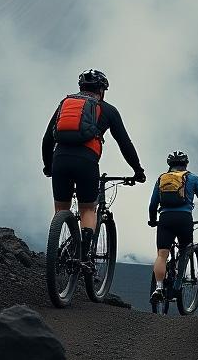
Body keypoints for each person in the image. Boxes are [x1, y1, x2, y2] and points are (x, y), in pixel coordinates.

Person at [42, 69, 146, 261]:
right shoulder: (108, 110)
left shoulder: (65, 105)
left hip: (60, 160)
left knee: (61, 210)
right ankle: (84, 255)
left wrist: (48, 166)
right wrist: (137, 170)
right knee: (88, 209)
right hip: (86, 162)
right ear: (102, 90)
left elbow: (47, 139)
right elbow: (125, 143)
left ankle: (58, 252)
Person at [148, 150, 198, 302]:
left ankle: (159, 288)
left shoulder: (161, 178)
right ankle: (177, 284)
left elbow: (152, 204)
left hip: (165, 218)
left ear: (169, 165)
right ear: (186, 164)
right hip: (184, 218)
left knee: (162, 255)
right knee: (185, 250)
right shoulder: (192, 178)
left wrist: (153, 220)